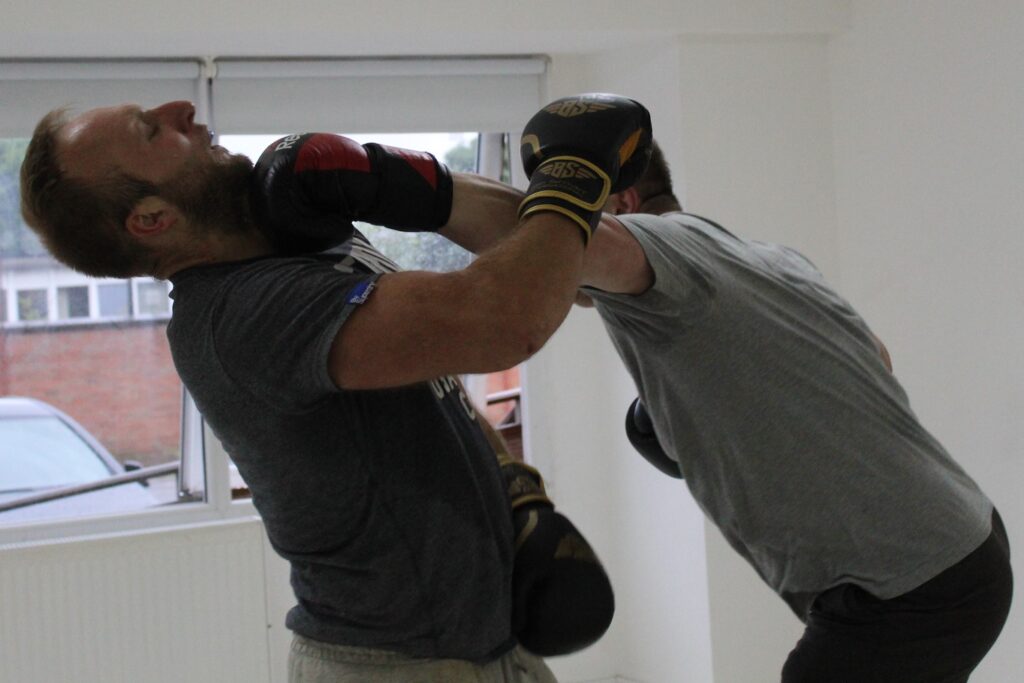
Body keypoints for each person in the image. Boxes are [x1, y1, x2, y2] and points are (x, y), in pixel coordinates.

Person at [288, 135, 1011, 681]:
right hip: (966, 539)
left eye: (562, 228)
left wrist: (380, 180)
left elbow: (547, 238)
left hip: (905, 587)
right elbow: (874, 357)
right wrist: (711, 414)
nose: (545, 254)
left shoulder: (658, 254)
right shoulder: (762, 255)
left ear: (622, 205)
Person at [18, 94, 653, 682]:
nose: (181, 106)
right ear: (152, 218)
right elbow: (498, 320)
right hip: (395, 667)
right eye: (149, 129)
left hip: (483, 647)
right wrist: (572, 180)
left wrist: (518, 494)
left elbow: (438, 377)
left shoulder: (301, 247)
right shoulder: (238, 317)